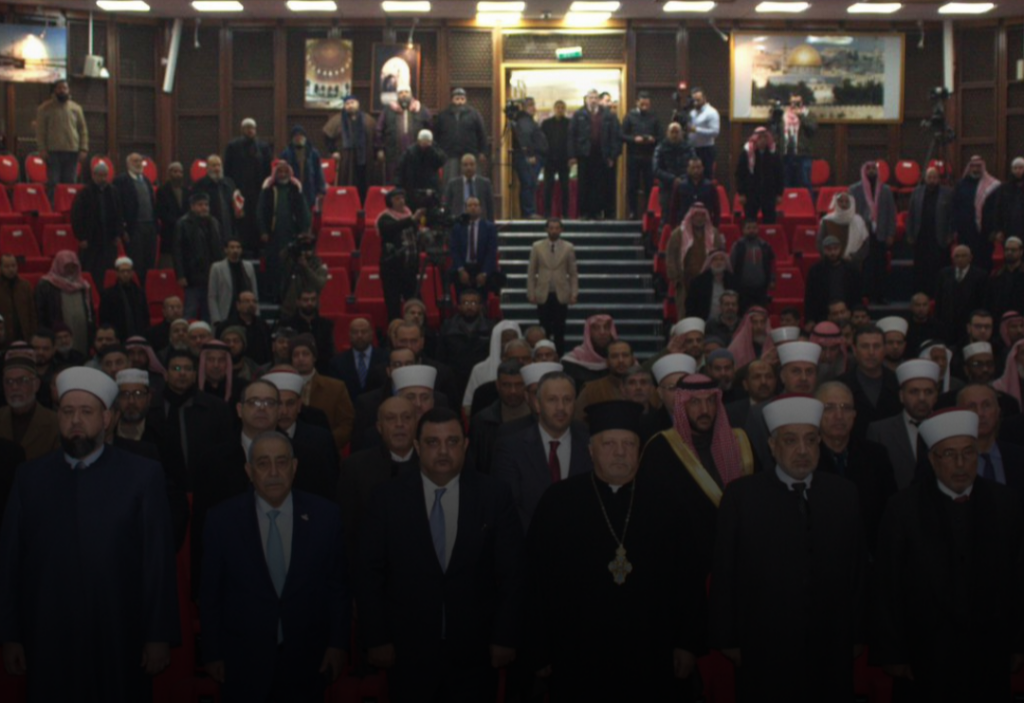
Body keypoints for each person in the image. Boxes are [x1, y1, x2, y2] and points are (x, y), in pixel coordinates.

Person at [0, 367, 179, 699]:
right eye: (67, 411)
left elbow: (157, 562)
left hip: (119, 630)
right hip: (48, 633)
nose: (75, 420)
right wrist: (9, 634)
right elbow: (10, 562)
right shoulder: (29, 477)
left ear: (106, 418)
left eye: (86, 411)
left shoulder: (142, 476)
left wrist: (158, 635)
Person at [526, 400, 706, 700]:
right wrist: (539, 649)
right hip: (577, 654)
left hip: (652, 653)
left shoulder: (668, 504)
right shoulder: (558, 502)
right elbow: (535, 580)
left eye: (629, 444)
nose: (620, 452)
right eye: (609, 444)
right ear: (591, 450)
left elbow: (688, 580)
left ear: (639, 450)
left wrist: (687, 644)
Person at [356, 407, 524, 702]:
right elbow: (369, 574)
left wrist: (504, 637)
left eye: (452, 441)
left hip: (475, 653)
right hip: (408, 653)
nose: (443, 451)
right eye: (433, 442)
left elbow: (513, 574)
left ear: (465, 445)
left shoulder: (494, 496)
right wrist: (377, 638)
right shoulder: (386, 498)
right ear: (417, 446)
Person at [710, 395, 865, 702]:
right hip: (764, 643)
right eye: (791, 441)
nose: (803, 451)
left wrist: (858, 633)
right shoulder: (742, 496)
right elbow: (725, 572)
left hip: (830, 643)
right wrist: (728, 638)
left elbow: (858, 570)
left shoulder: (843, 494)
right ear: (772, 445)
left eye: (811, 440)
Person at [872, 408, 1024, 701]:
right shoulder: (903, 509)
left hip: (988, 654)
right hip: (924, 657)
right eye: (949, 455)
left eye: (968, 453)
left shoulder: (1006, 504)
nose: (960, 464)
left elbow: (1019, 578)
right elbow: (887, 585)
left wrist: (1019, 643)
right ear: (932, 459)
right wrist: (893, 652)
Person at [200, 430, 349, 702]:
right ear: (249, 471)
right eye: (263, 463)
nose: (273, 472)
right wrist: (212, 652)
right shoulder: (221, 520)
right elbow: (210, 594)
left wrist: (337, 644)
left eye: (281, 462)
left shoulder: (326, 516)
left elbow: (337, 587)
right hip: (242, 662)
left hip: (308, 661)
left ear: (294, 467)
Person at [639, 373, 753, 573]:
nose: (705, 410)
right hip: (684, 564)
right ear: (681, 406)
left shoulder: (740, 442)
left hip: (738, 559)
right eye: (695, 402)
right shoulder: (661, 449)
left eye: (710, 401)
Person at [493, 371, 593, 529]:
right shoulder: (511, 448)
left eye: (567, 399)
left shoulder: (591, 444)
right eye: (552, 400)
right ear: (538, 405)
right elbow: (509, 505)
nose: (561, 407)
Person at [814, 381, 897, 555]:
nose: (839, 415)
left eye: (846, 408)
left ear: (854, 415)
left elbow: (889, 513)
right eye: (829, 408)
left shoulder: (876, 456)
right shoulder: (808, 460)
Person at [337, 396, 418, 562]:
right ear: (379, 427)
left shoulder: (432, 464)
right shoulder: (355, 467)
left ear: (416, 424)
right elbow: (348, 528)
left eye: (406, 417)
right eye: (391, 418)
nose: (399, 424)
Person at [745, 341, 822, 471]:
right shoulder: (760, 414)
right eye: (796, 371)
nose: (804, 378)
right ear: (782, 376)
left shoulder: (826, 409)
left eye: (809, 372)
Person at [865, 358, 941, 490]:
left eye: (928, 392)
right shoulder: (880, 432)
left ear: (936, 396)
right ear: (901, 396)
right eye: (914, 392)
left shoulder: (947, 430)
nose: (922, 398)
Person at [257, 161, 311, 300]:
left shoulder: (295, 189)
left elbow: (304, 212)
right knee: (273, 266)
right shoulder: (268, 189)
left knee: (290, 266)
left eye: (285, 172)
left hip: (291, 235)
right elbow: (260, 212)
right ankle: (273, 295)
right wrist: (263, 231)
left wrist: (304, 231)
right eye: (280, 172)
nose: (282, 174)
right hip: (272, 236)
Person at [467, 360, 531, 474]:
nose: (513, 391)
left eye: (518, 385)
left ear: (526, 385)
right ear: (497, 385)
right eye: (506, 385)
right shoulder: (482, 421)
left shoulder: (540, 419)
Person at [839, 324, 903, 440]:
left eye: (876, 346)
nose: (871, 352)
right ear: (854, 350)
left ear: (885, 349)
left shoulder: (898, 383)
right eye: (865, 346)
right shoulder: (840, 386)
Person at [527, 218, 578, 354]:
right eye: (551, 228)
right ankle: (543, 355)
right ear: (546, 229)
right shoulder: (537, 246)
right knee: (544, 328)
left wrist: (574, 293)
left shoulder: (568, 247)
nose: (554, 231)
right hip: (543, 292)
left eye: (556, 228)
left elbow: (573, 273)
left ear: (561, 230)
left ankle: (559, 356)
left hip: (561, 293)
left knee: (560, 329)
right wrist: (531, 293)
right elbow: (531, 272)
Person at [849, 161, 897, 304]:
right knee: (865, 266)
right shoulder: (854, 189)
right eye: (868, 168)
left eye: (873, 168)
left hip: (880, 233)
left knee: (880, 266)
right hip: (863, 234)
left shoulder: (886, 190)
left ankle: (881, 296)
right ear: (863, 171)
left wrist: (890, 234)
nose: (871, 171)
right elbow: (852, 212)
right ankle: (865, 296)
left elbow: (891, 214)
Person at [224, 117, 273, 254]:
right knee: (242, 222)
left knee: (257, 219)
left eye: (252, 128)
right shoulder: (233, 146)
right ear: (242, 130)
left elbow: (268, 170)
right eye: (247, 128)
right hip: (239, 192)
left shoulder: (263, 147)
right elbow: (227, 170)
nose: (250, 130)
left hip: (258, 192)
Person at [573, 339, 654, 422]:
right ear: (607, 361)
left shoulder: (650, 390)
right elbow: (578, 423)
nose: (621, 360)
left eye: (625, 355)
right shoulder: (590, 390)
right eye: (614, 356)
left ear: (633, 359)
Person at [72, 161, 125, 286]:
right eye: (100, 175)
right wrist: (81, 237)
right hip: (91, 241)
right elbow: (76, 216)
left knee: (108, 272)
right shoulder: (85, 192)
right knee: (92, 271)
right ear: (94, 175)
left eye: (105, 175)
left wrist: (118, 234)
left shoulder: (113, 191)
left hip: (109, 240)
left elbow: (119, 214)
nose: (103, 178)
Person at [666, 204, 724, 318]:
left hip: (708, 281)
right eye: (697, 215)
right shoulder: (678, 234)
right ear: (691, 216)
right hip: (685, 281)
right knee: (685, 314)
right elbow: (671, 256)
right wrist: (675, 277)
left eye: (702, 215)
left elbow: (720, 255)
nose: (699, 218)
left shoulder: (714, 234)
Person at [569, 89, 620, 220]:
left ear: (598, 100)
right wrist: (572, 155)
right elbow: (572, 135)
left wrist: (612, 155)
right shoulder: (578, 114)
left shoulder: (607, 115)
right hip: (584, 154)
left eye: (595, 97)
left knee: (599, 184)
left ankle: (597, 212)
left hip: (601, 154)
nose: (593, 100)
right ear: (586, 99)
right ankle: (584, 212)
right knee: (584, 184)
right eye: (590, 97)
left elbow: (614, 135)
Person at [173, 191, 224, 321]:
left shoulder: (214, 222)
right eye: (200, 205)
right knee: (190, 310)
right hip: (192, 275)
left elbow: (219, 248)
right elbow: (177, 251)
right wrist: (180, 275)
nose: (204, 208)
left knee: (209, 312)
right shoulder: (183, 223)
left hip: (211, 274)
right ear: (192, 206)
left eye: (206, 205)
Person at [376, 189, 425, 322]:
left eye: (402, 198)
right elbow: (393, 227)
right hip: (392, 269)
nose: (401, 201)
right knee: (393, 305)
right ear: (390, 202)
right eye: (397, 199)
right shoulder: (384, 218)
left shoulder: (409, 214)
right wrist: (412, 219)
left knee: (415, 302)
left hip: (410, 268)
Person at [34, 251, 94, 357]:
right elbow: (40, 313)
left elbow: (90, 311)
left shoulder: (84, 286)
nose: (71, 270)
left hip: (81, 331)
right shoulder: (46, 285)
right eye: (67, 266)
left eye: (73, 266)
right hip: (57, 332)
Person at [0, 353, 60, 461]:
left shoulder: (55, 423)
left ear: (36, 384)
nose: (14, 387)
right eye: (9, 382)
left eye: (22, 380)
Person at [35, 79, 88, 196]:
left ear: (68, 90)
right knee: (53, 183)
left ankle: (69, 206)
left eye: (65, 88)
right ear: (55, 90)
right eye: (59, 88)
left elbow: (83, 130)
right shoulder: (44, 108)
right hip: (52, 152)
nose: (62, 90)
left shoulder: (76, 108)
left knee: (70, 183)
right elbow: (40, 132)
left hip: (72, 152)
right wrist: (42, 149)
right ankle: (53, 207)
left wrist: (83, 148)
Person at [907, 166, 954, 295]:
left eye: (935, 177)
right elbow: (911, 214)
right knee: (921, 268)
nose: (932, 180)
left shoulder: (947, 193)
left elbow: (952, 216)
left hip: (940, 238)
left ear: (939, 179)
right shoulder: (917, 192)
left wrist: (950, 235)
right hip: (921, 237)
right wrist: (910, 234)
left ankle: (939, 295)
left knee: (939, 268)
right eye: (929, 177)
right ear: (925, 178)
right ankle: (921, 295)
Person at [112, 153, 157, 285]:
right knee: (137, 263)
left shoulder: (146, 180)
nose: (138, 164)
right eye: (135, 161)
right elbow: (117, 206)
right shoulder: (121, 181)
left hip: (149, 226)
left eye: (140, 161)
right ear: (128, 164)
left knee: (149, 262)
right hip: (133, 227)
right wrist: (122, 229)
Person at [438, 289, 492, 395]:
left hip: (482, 379)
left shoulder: (490, 328)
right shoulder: (448, 327)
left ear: (480, 306)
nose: (469, 307)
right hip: (454, 380)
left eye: (474, 303)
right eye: (466, 303)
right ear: (459, 306)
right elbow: (441, 356)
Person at [462, 322, 524, 415]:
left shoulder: (526, 367)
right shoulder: (479, 370)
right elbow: (468, 406)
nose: (510, 344)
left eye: (514, 339)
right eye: (506, 340)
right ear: (497, 341)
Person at [952, 155, 1001, 270]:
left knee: (984, 262)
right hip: (965, 231)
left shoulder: (992, 186)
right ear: (969, 167)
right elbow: (955, 207)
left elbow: (997, 210)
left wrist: (994, 230)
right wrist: (955, 228)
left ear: (982, 167)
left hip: (984, 233)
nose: (975, 169)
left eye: (978, 166)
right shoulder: (961, 185)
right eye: (973, 166)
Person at [376, 84, 431, 185]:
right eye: (401, 93)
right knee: (394, 181)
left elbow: (429, 129)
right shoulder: (388, 110)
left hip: (416, 154)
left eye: (406, 92)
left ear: (411, 94)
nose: (404, 95)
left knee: (415, 182)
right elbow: (379, 130)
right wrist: (380, 148)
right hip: (393, 153)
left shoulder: (421, 110)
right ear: (397, 95)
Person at [433, 87, 488, 186]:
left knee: (470, 181)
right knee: (450, 182)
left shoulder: (474, 114)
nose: (459, 102)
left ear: (465, 100)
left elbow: (482, 134)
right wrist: (438, 152)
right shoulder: (443, 115)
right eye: (457, 99)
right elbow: (436, 135)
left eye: (462, 99)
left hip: (470, 153)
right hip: (449, 154)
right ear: (452, 100)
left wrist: (482, 152)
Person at [934, 245, 988, 344]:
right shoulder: (944, 274)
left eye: (963, 256)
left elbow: (983, 301)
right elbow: (939, 299)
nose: (960, 259)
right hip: (948, 324)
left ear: (970, 258)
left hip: (969, 324)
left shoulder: (980, 276)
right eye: (957, 256)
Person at [449, 196, 498, 302]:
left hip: (481, 268)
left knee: (482, 301)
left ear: (480, 208)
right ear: (465, 209)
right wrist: (461, 270)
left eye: (476, 205)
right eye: (470, 205)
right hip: (463, 267)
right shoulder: (457, 227)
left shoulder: (489, 228)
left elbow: (491, 252)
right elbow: (454, 249)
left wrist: (484, 273)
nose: (473, 208)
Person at [620, 92, 661, 219]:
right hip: (634, 156)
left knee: (649, 185)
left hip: (649, 157)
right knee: (632, 185)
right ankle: (632, 211)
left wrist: (653, 139)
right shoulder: (630, 116)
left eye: (647, 104)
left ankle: (649, 211)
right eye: (642, 103)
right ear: (637, 102)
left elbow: (661, 136)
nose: (645, 106)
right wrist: (634, 139)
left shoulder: (654, 117)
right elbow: (621, 135)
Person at [805, 237, 862, 326]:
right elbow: (810, 296)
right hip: (823, 314)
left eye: (835, 249)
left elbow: (857, 294)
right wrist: (810, 319)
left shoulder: (851, 269)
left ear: (840, 249)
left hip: (847, 313)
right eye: (829, 249)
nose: (832, 252)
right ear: (824, 250)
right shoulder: (816, 270)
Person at [734, 127, 784, 224]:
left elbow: (779, 174)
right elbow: (740, 174)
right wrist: (741, 193)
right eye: (760, 138)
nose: (762, 140)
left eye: (765, 137)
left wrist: (779, 194)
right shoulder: (747, 153)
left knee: (770, 222)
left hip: (769, 194)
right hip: (751, 194)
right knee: (750, 221)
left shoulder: (773, 153)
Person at [328, 316, 384, 402]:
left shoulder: (385, 358)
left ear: (371, 334)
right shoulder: (337, 362)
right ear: (349, 335)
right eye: (355, 332)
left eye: (364, 332)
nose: (359, 335)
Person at [279, 288, 334, 374]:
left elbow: (330, 351)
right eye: (305, 300)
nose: (310, 303)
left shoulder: (326, 324)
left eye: (313, 299)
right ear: (298, 302)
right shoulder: (287, 324)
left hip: (323, 370)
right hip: (294, 370)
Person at [653, 122, 695, 229]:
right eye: (672, 132)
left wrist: (682, 179)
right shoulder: (660, 148)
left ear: (682, 133)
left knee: (685, 217)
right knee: (666, 218)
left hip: (685, 186)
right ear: (667, 133)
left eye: (677, 132)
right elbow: (656, 169)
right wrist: (672, 179)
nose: (675, 135)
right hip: (666, 187)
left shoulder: (688, 147)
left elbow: (694, 167)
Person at [207, 239, 258, 327]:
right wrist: (216, 318)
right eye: (232, 247)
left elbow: (254, 291)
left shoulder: (248, 266)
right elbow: (212, 296)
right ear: (226, 250)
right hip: (226, 311)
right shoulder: (217, 267)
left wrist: (256, 313)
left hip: (246, 311)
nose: (235, 250)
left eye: (238, 247)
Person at [728, 219, 776, 312]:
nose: (751, 230)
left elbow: (772, 264)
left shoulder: (765, 246)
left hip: (761, 288)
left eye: (754, 228)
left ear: (758, 229)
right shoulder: (738, 246)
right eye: (748, 228)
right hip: (742, 288)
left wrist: (772, 279)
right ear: (743, 230)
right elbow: (731, 265)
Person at [98, 256, 148, 343]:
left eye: (128, 271)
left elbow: (145, 316)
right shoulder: (108, 295)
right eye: (122, 271)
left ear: (132, 273)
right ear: (117, 273)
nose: (125, 274)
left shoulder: (139, 293)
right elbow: (104, 319)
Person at [193, 154, 242, 244]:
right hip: (209, 227)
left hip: (228, 225)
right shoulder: (200, 185)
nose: (217, 168)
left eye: (219, 165)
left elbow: (236, 202)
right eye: (214, 165)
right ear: (207, 168)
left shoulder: (229, 183)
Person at [773, 92, 818, 190]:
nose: (794, 105)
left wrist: (801, 116)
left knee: (804, 183)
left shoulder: (808, 114)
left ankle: (807, 200)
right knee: (786, 183)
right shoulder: (784, 115)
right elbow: (775, 129)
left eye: (797, 103)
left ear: (802, 103)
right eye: (792, 103)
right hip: (786, 155)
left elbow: (812, 129)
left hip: (803, 154)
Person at [561, 314, 616, 390]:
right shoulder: (571, 362)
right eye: (596, 328)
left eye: (606, 327)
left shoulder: (620, 360)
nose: (602, 332)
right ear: (588, 332)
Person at [817, 192, 868, 269]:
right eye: (841, 201)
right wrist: (831, 257)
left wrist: (853, 257)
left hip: (853, 265)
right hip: (831, 265)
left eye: (847, 202)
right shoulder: (827, 221)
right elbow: (820, 242)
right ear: (836, 203)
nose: (844, 204)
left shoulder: (859, 221)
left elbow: (865, 245)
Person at [279, 125, 325, 211]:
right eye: (296, 135)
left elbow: (318, 172)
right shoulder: (286, 154)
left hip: (309, 189)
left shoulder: (313, 153)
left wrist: (321, 190)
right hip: (292, 189)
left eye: (300, 135)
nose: (298, 137)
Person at [396, 130, 447, 206]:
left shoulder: (434, 150)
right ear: (418, 141)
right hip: (414, 188)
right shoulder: (410, 152)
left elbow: (441, 160)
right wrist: (399, 187)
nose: (425, 144)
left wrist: (431, 149)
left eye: (428, 142)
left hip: (431, 187)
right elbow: (400, 170)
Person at [154, 163, 190, 268]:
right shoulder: (162, 190)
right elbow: (161, 212)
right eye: (175, 172)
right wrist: (176, 222)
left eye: (180, 172)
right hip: (169, 230)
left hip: (184, 230)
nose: (178, 174)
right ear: (169, 173)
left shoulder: (186, 191)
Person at [541, 100, 572, 218]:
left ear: (565, 110)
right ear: (554, 109)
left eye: (562, 108)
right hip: (549, 160)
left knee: (565, 188)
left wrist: (571, 157)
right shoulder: (546, 124)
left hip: (564, 160)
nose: (560, 110)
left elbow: (571, 141)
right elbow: (542, 141)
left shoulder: (569, 123)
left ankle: (565, 213)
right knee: (548, 188)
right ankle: (547, 213)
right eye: (558, 107)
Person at [668, 157, 719, 228]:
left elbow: (716, 209)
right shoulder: (680, 186)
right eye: (693, 168)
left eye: (698, 168)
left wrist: (715, 226)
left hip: (705, 226)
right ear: (688, 169)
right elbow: (674, 208)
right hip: (683, 226)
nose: (696, 170)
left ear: (703, 168)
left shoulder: (710, 186)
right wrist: (673, 226)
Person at [443, 154, 495, 222]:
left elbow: (490, 207)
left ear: (476, 165)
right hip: (459, 223)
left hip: (480, 224)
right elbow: (447, 206)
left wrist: (490, 225)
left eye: (471, 164)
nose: (469, 167)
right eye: (465, 165)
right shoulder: (452, 184)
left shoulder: (485, 183)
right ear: (461, 166)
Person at [987, 236, 1024, 323]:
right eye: (1007, 250)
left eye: (1013, 250)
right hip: (1000, 320)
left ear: (1021, 251)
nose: (1009, 252)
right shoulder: (996, 275)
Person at [0, 256, 35, 345]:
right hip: (3, 336)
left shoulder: (25, 286)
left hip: (23, 334)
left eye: (13, 265)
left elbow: (32, 311)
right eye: (7, 266)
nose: (11, 269)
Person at [687, 87, 720, 179]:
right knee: (692, 177)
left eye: (698, 100)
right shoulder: (692, 113)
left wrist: (696, 130)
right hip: (692, 149)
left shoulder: (711, 112)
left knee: (706, 178)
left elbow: (715, 132)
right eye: (693, 100)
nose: (695, 103)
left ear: (704, 98)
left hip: (706, 150)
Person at [992, 156, 1024, 244]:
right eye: (1015, 168)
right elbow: (998, 209)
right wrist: (998, 230)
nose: (1018, 171)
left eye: (1021, 168)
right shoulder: (1004, 188)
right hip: (1008, 229)